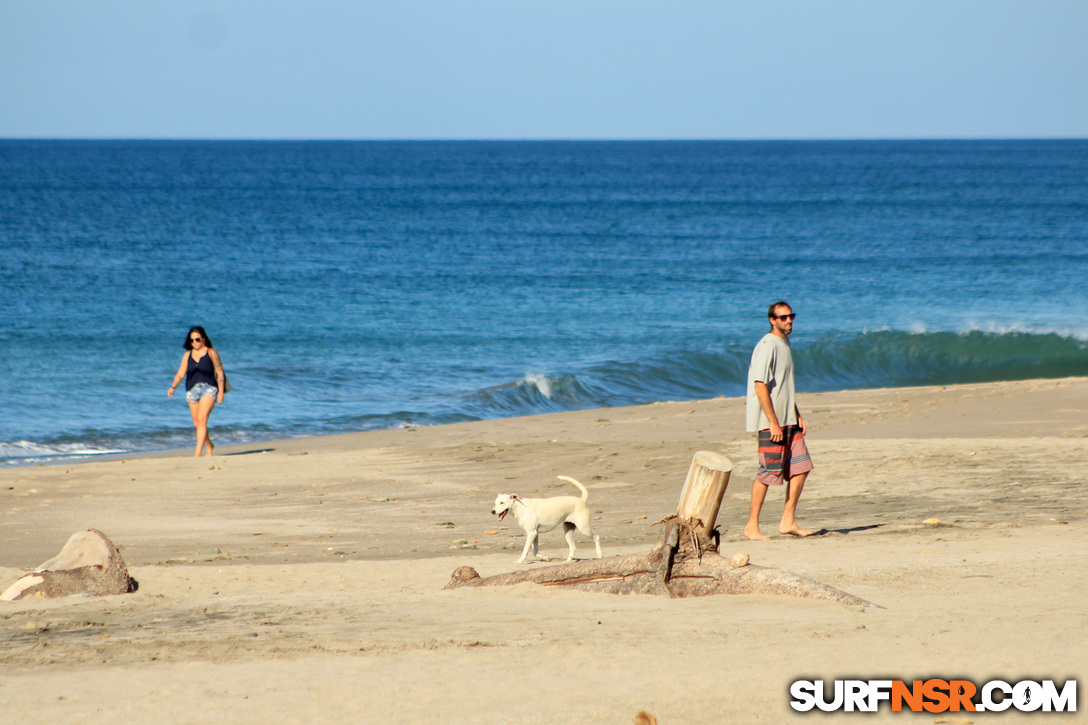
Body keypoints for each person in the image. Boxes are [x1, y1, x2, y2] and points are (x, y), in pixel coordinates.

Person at [744, 301, 814, 540]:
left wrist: (797, 413)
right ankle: (751, 526)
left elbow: (782, 386)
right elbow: (760, 385)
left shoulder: (785, 343)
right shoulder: (767, 345)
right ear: (772, 320)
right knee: (768, 472)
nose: (789, 321)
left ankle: (787, 521)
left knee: (801, 467)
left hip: (789, 419)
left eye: (791, 316)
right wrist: (773, 422)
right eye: (783, 317)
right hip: (771, 422)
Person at [167, 326, 225, 457]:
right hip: (192, 389)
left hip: (209, 388)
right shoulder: (188, 355)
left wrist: (220, 392)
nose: (194, 343)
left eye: (197, 340)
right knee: (196, 423)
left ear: (203, 340)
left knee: (202, 419)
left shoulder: (211, 353)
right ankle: (209, 445)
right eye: (192, 340)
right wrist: (173, 387)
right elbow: (181, 373)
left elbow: (219, 372)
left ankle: (198, 453)